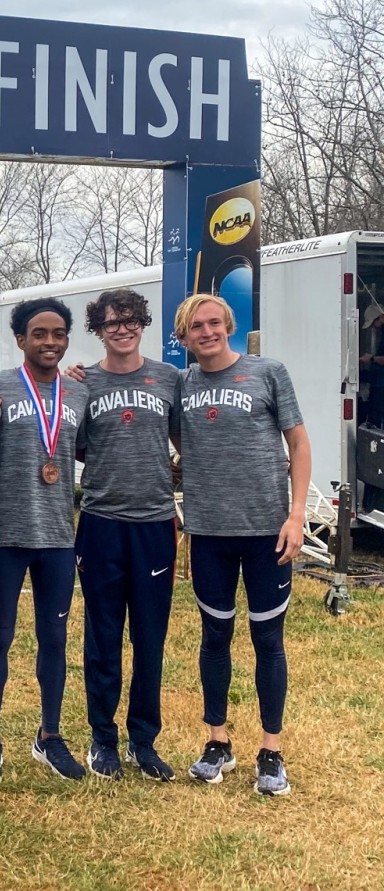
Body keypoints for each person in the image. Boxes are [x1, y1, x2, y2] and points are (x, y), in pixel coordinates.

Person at [175, 293, 310, 796]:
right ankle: (217, 742)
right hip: (209, 533)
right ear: (184, 337)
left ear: (228, 325)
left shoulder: (268, 372)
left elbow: (298, 442)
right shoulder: (181, 384)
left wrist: (296, 515)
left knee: (267, 640)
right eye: (195, 327)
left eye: (213, 323)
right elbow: (175, 436)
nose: (206, 332)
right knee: (215, 637)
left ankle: (271, 752)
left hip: (266, 532)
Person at [0, 297, 90, 783]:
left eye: (58, 333)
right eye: (39, 334)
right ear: (20, 339)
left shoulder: (78, 392)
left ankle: (49, 736)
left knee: (55, 638)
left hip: (59, 536)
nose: (50, 342)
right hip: (2, 534)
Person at [71, 289, 180, 781]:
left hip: (155, 525)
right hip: (102, 524)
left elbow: (188, 441)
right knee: (104, 636)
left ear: (143, 323)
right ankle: (102, 739)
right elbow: (62, 443)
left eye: (131, 319)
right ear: (98, 328)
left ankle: (144, 740)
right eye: (112, 321)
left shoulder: (168, 379)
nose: (122, 328)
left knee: (150, 637)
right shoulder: (82, 383)